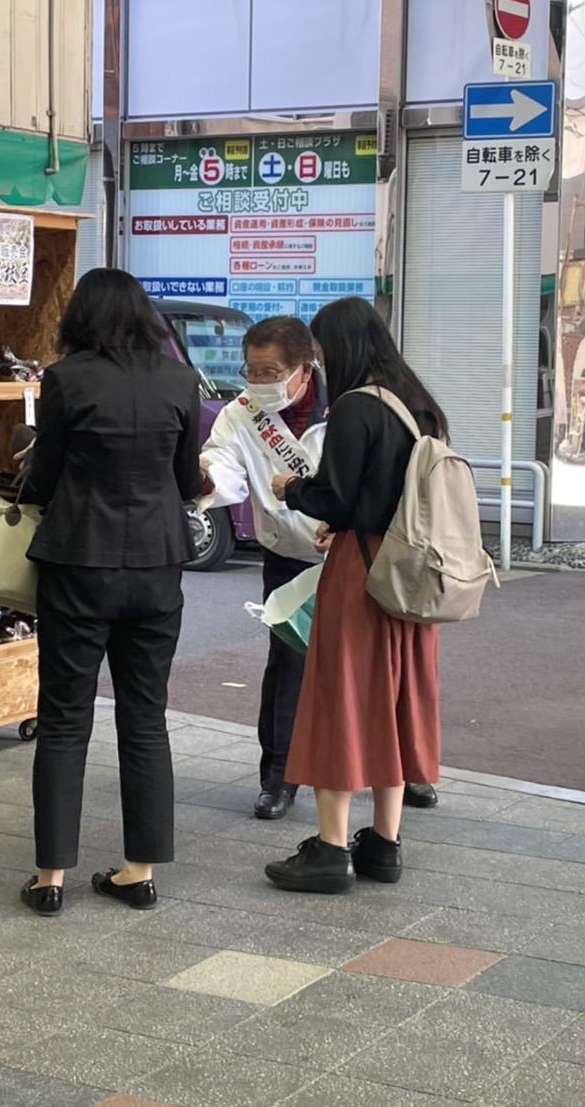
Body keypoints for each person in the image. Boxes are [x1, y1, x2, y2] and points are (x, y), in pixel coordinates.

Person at [19, 268, 202, 917]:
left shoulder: (65, 379)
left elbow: (42, 480)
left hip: (77, 563)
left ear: (81, 317)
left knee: (66, 719)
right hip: (157, 565)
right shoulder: (179, 380)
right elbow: (187, 483)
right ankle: (139, 871)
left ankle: (51, 879)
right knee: (145, 717)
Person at [265, 297, 446, 894]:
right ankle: (386, 844)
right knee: (393, 704)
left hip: (360, 575)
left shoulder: (354, 407)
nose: (318, 364)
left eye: (320, 352)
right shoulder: (420, 406)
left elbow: (337, 497)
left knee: (337, 700)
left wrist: (294, 488)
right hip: (410, 577)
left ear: (341, 348)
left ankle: (331, 847)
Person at [198, 317, 328, 819]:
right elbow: (223, 462)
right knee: (288, 663)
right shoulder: (243, 412)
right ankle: (279, 775)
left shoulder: (343, 406)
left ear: (303, 369)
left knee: (366, 664)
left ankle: (400, 770)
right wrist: (206, 480)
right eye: (251, 370)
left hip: (348, 550)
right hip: (285, 554)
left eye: (270, 371)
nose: (259, 381)